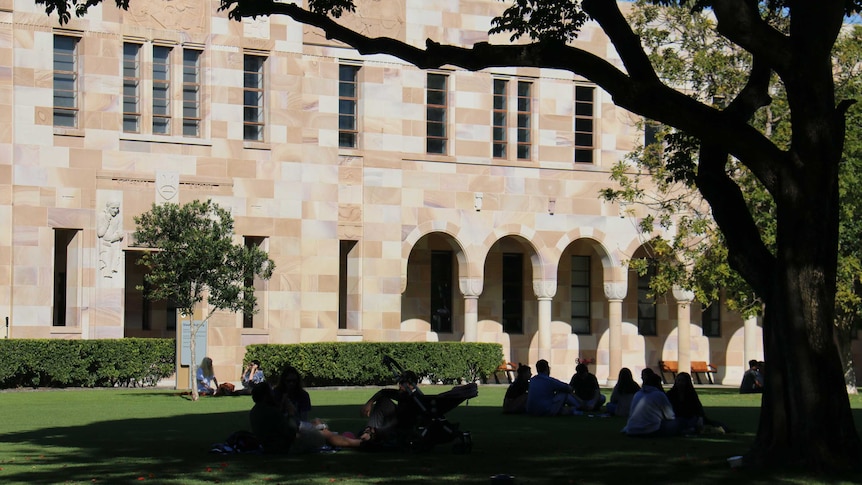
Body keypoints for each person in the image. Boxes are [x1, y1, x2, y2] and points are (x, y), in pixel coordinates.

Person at [622, 372, 680, 437]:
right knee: (677, 423)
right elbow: (670, 416)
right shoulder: (659, 395)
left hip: (632, 430)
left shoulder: (638, 394)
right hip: (650, 430)